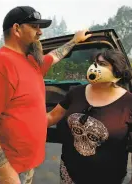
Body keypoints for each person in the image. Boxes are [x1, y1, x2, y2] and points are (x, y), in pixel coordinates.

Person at [0, 5, 92, 184]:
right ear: (17, 29)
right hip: (8, 169)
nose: (40, 32)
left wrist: (74, 41)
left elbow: (54, 56)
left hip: (25, 165)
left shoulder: (31, 63)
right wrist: (4, 170)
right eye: (34, 27)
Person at [47, 49, 132, 184]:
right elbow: (52, 116)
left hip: (108, 178)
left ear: (117, 71)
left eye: (102, 64)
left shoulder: (128, 103)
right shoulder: (76, 93)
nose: (94, 67)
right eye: (94, 62)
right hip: (69, 173)